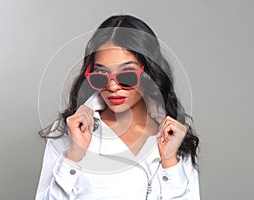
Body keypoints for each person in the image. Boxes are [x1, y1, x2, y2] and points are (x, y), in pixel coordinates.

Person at [35, 15, 200, 200]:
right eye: (101, 75)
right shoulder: (70, 130)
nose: (113, 87)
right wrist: (74, 156)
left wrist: (170, 162)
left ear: (150, 72)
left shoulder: (173, 135)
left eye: (127, 76)